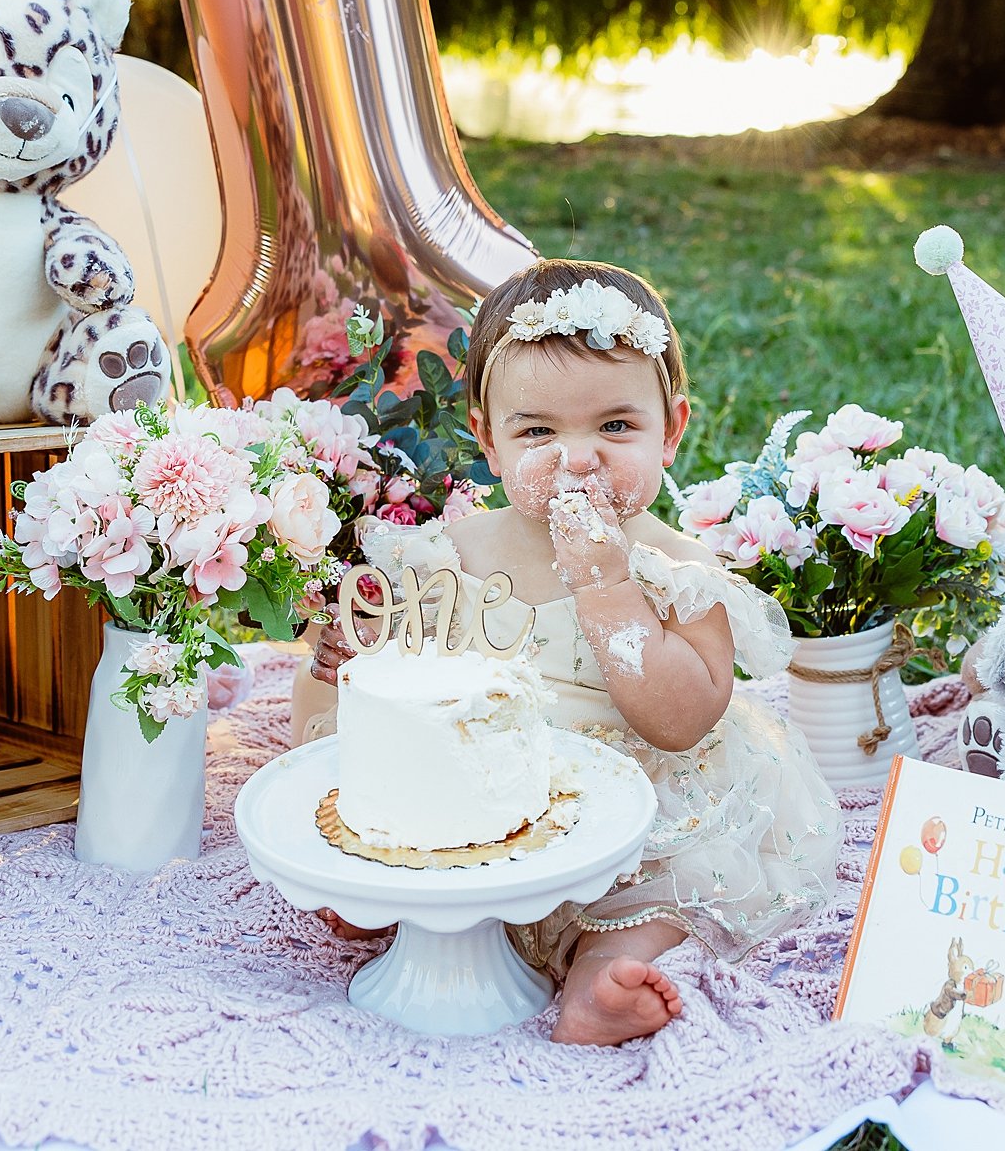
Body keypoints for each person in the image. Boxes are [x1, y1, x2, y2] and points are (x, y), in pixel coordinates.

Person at [310, 259, 841, 1045]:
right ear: (489, 442)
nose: (579, 458)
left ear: (672, 430)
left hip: (636, 814)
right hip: (480, 803)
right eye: (538, 432)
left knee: (673, 890)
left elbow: (680, 723)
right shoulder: (446, 557)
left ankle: (600, 979)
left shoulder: (681, 574)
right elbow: (390, 692)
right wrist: (351, 658)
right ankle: (390, 905)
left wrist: (606, 588)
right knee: (399, 839)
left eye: (616, 426)